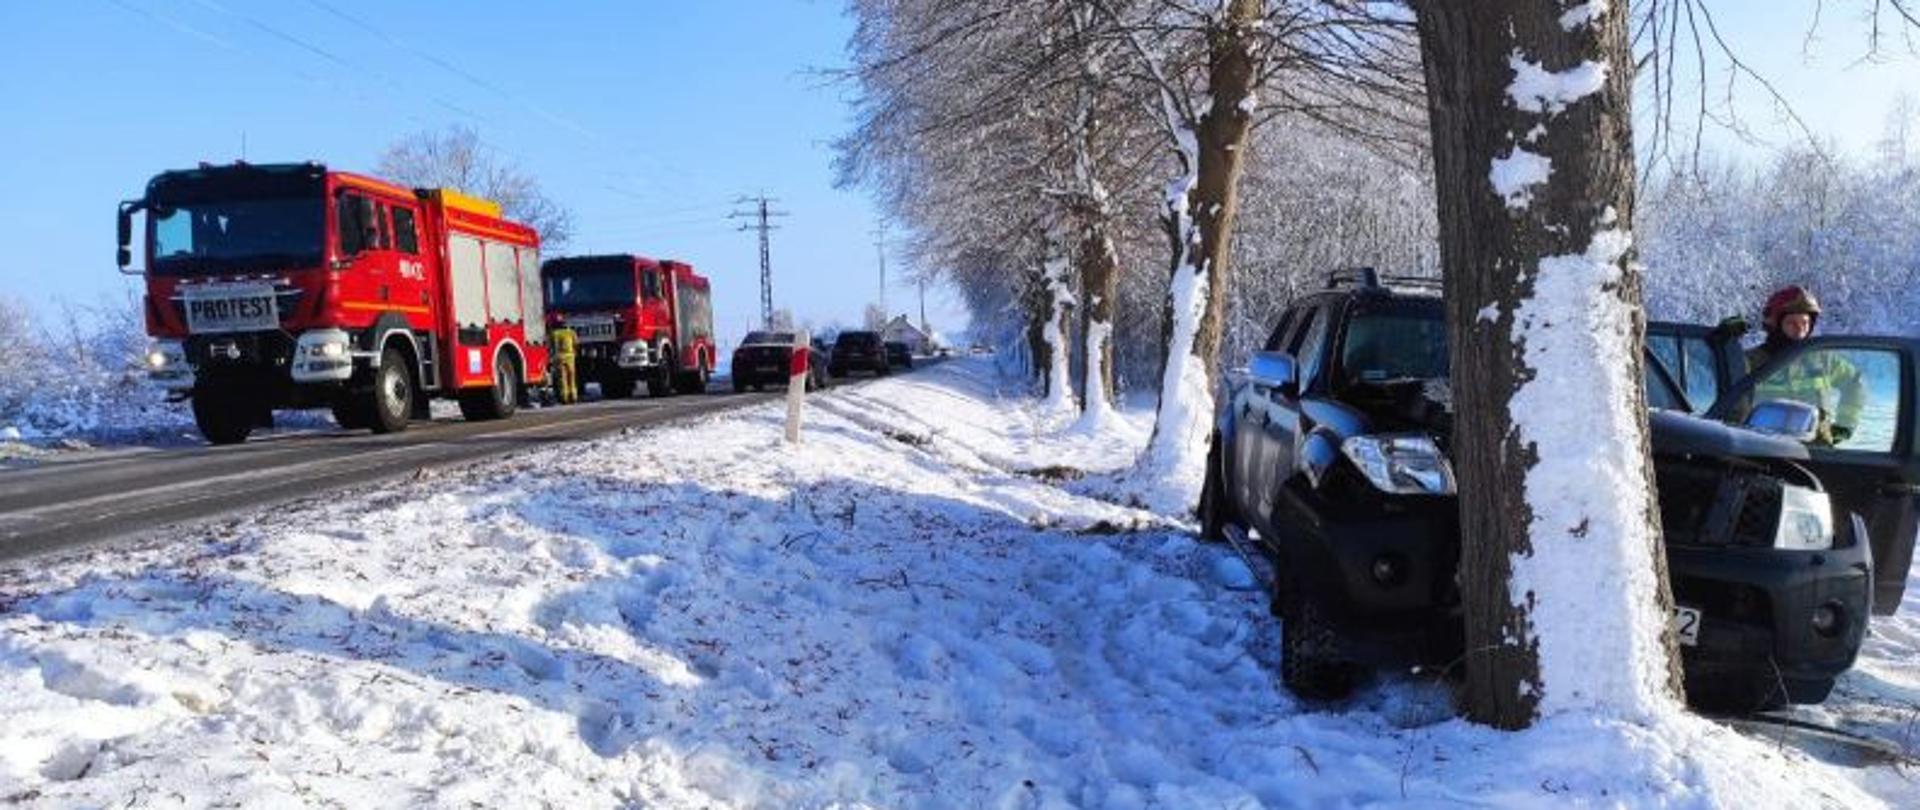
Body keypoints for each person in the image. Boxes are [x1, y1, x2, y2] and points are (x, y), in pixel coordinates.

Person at [1746, 285, 1864, 446]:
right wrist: (1723, 343)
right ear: (1775, 325)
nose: (1800, 330)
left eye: (1805, 323)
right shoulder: (1751, 361)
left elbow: (1855, 382)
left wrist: (1845, 426)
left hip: (1816, 451)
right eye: (1792, 323)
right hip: (1762, 449)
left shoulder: (1824, 360)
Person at [551, 326, 579, 405]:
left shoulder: (555, 333)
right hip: (570, 357)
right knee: (571, 377)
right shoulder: (571, 332)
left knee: (562, 378)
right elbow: (576, 344)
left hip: (559, 357)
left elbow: (551, 346)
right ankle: (573, 397)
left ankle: (564, 397)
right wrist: (574, 353)